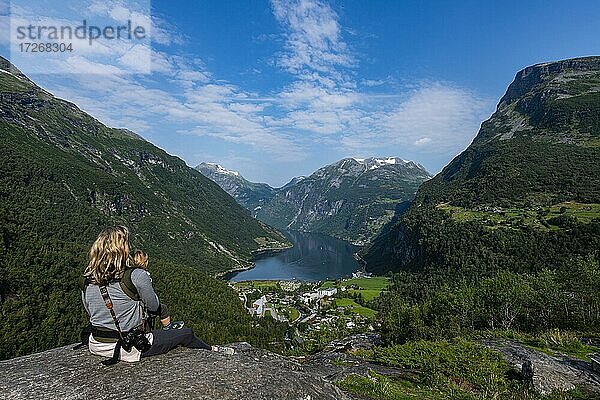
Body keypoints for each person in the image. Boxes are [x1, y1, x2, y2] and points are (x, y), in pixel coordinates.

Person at [80, 225, 234, 363]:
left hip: (96, 344)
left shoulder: (87, 281)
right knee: (186, 334)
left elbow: (90, 311)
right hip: (128, 347)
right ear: (122, 249)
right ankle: (214, 351)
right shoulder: (136, 276)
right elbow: (153, 306)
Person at [131, 249, 184, 330]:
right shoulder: (143, 275)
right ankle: (168, 326)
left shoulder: (126, 274)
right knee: (162, 308)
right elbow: (152, 304)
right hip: (140, 307)